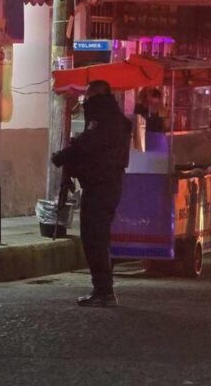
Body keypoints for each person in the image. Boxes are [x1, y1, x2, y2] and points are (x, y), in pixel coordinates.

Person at [51, 80, 132, 307]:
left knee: (95, 237)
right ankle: (103, 288)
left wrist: (65, 155)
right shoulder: (113, 118)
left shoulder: (103, 119)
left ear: (96, 96)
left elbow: (89, 145)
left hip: (101, 185)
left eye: (88, 96)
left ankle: (104, 291)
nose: (85, 100)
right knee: (98, 236)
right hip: (106, 184)